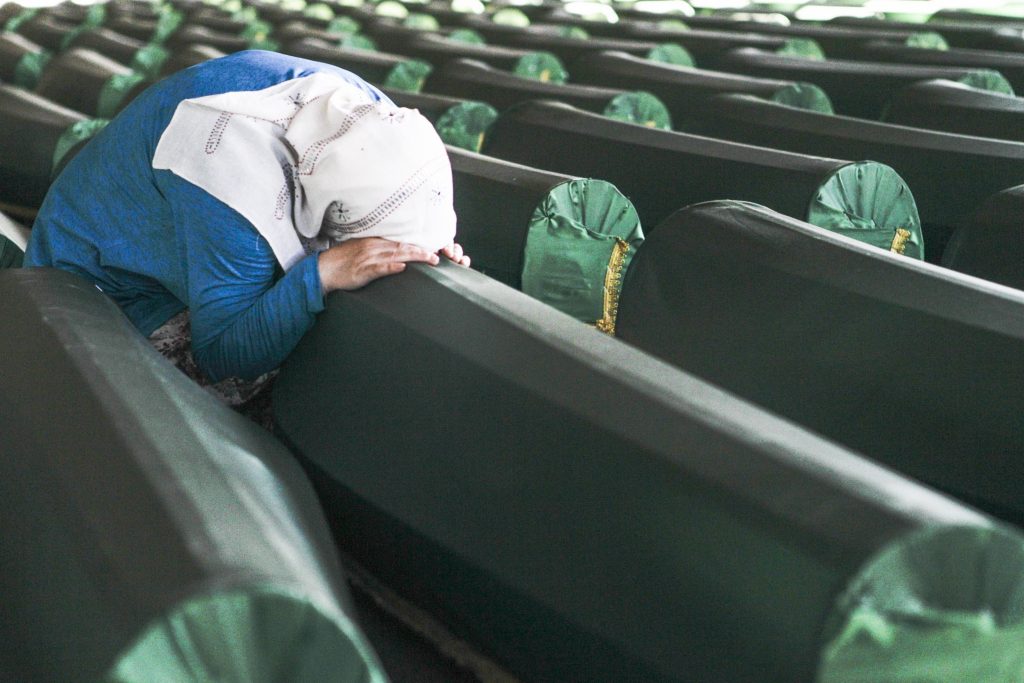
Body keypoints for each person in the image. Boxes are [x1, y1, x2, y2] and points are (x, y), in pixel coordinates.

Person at [25, 50, 469, 422]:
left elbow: (407, 193)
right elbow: (223, 357)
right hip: (100, 290)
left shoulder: (368, 110)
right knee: (284, 376)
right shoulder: (231, 180)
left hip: (180, 229)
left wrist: (427, 239)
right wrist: (322, 273)